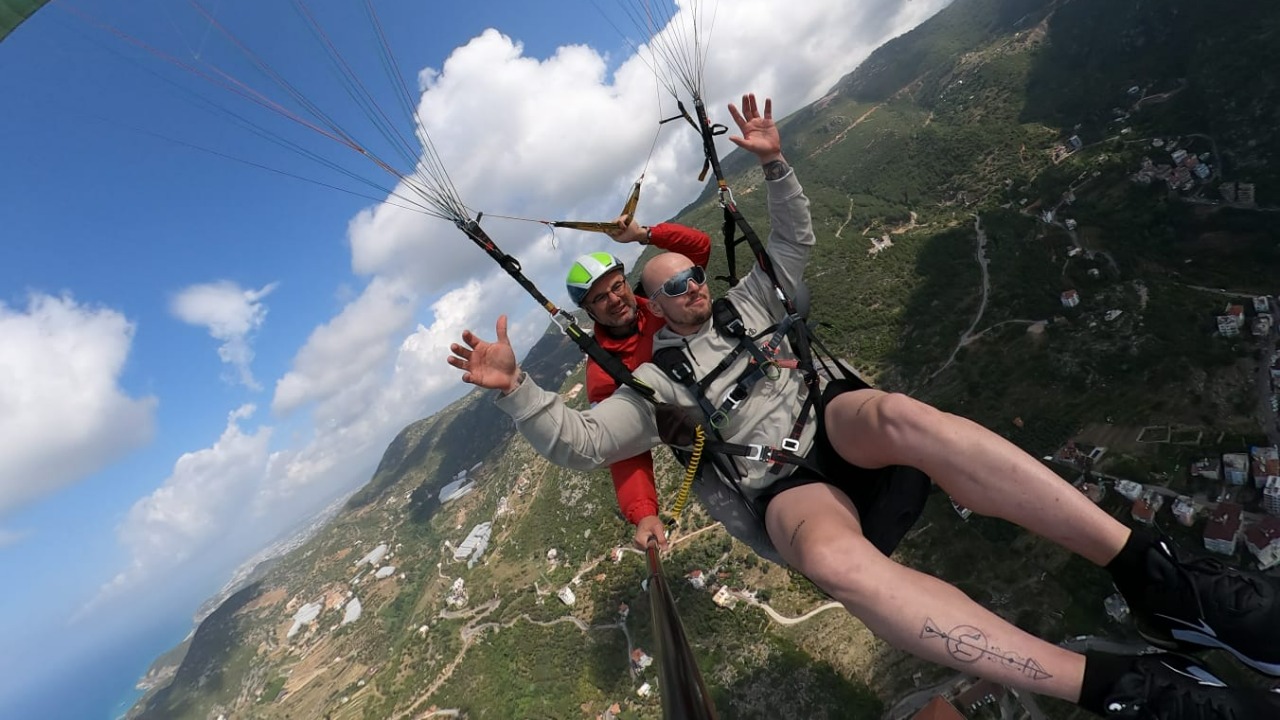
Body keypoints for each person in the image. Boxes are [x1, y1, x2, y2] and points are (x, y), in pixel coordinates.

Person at [449, 93, 1280, 718]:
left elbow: (791, 240)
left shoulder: (752, 299)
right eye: (672, 288)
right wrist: (518, 392)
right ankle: (1121, 687)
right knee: (837, 566)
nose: (691, 287)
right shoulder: (648, 380)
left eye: (694, 277)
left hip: (835, 420)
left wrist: (775, 166)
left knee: (903, 417)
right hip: (781, 483)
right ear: (650, 310)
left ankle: (1159, 578)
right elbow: (591, 442)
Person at [564, 216, 711, 552]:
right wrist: (644, 513)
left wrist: (644, 235)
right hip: (706, 432)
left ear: (628, 284)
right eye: (600, 298)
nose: (615, 299)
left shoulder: (662, 304)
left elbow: (700, 250)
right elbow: (622, 445)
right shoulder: (605, 372)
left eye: (617, 286)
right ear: (589, 311)